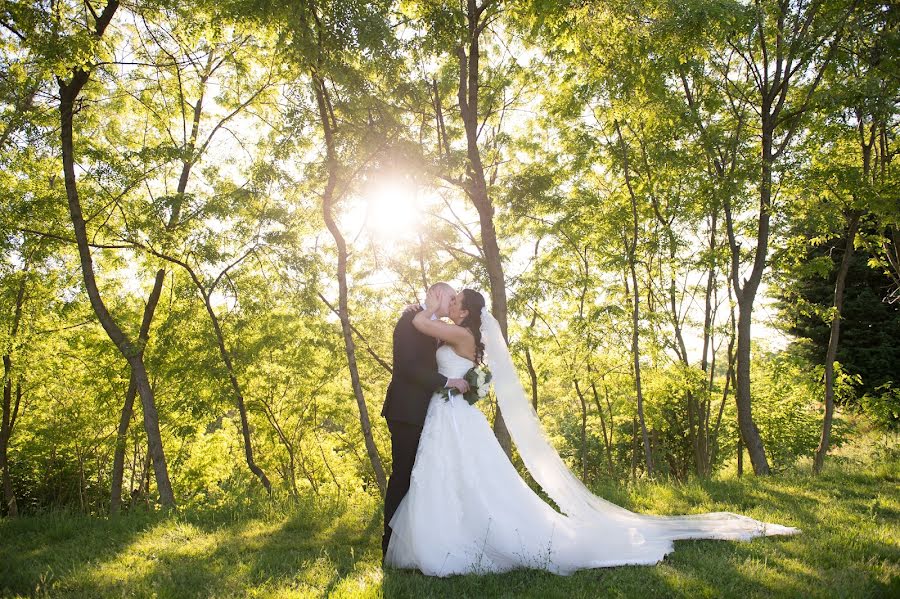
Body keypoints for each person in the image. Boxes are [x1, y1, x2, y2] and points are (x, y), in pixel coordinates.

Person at [384, 287, 800, 576]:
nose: (451, 303)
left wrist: (428, 304)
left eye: (455, 301)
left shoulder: (458, 332)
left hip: (453, 418)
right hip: (449, 416)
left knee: (464, 478)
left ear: (467, 313)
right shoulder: (469, 335)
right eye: (450, 299)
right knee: (456, 479)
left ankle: (463, 540)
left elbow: (422, 325)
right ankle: (457, 532)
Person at [380, 282, 470, 560]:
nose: (453, 303)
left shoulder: (435, 328)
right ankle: (390, 546)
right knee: (403, 476)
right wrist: (447, 381)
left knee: (424, 478)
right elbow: (408, 367)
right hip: (406, 411)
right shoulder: (410, 319)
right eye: (451, 297)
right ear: (438, 295)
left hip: (430, 414)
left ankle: (419, 542)